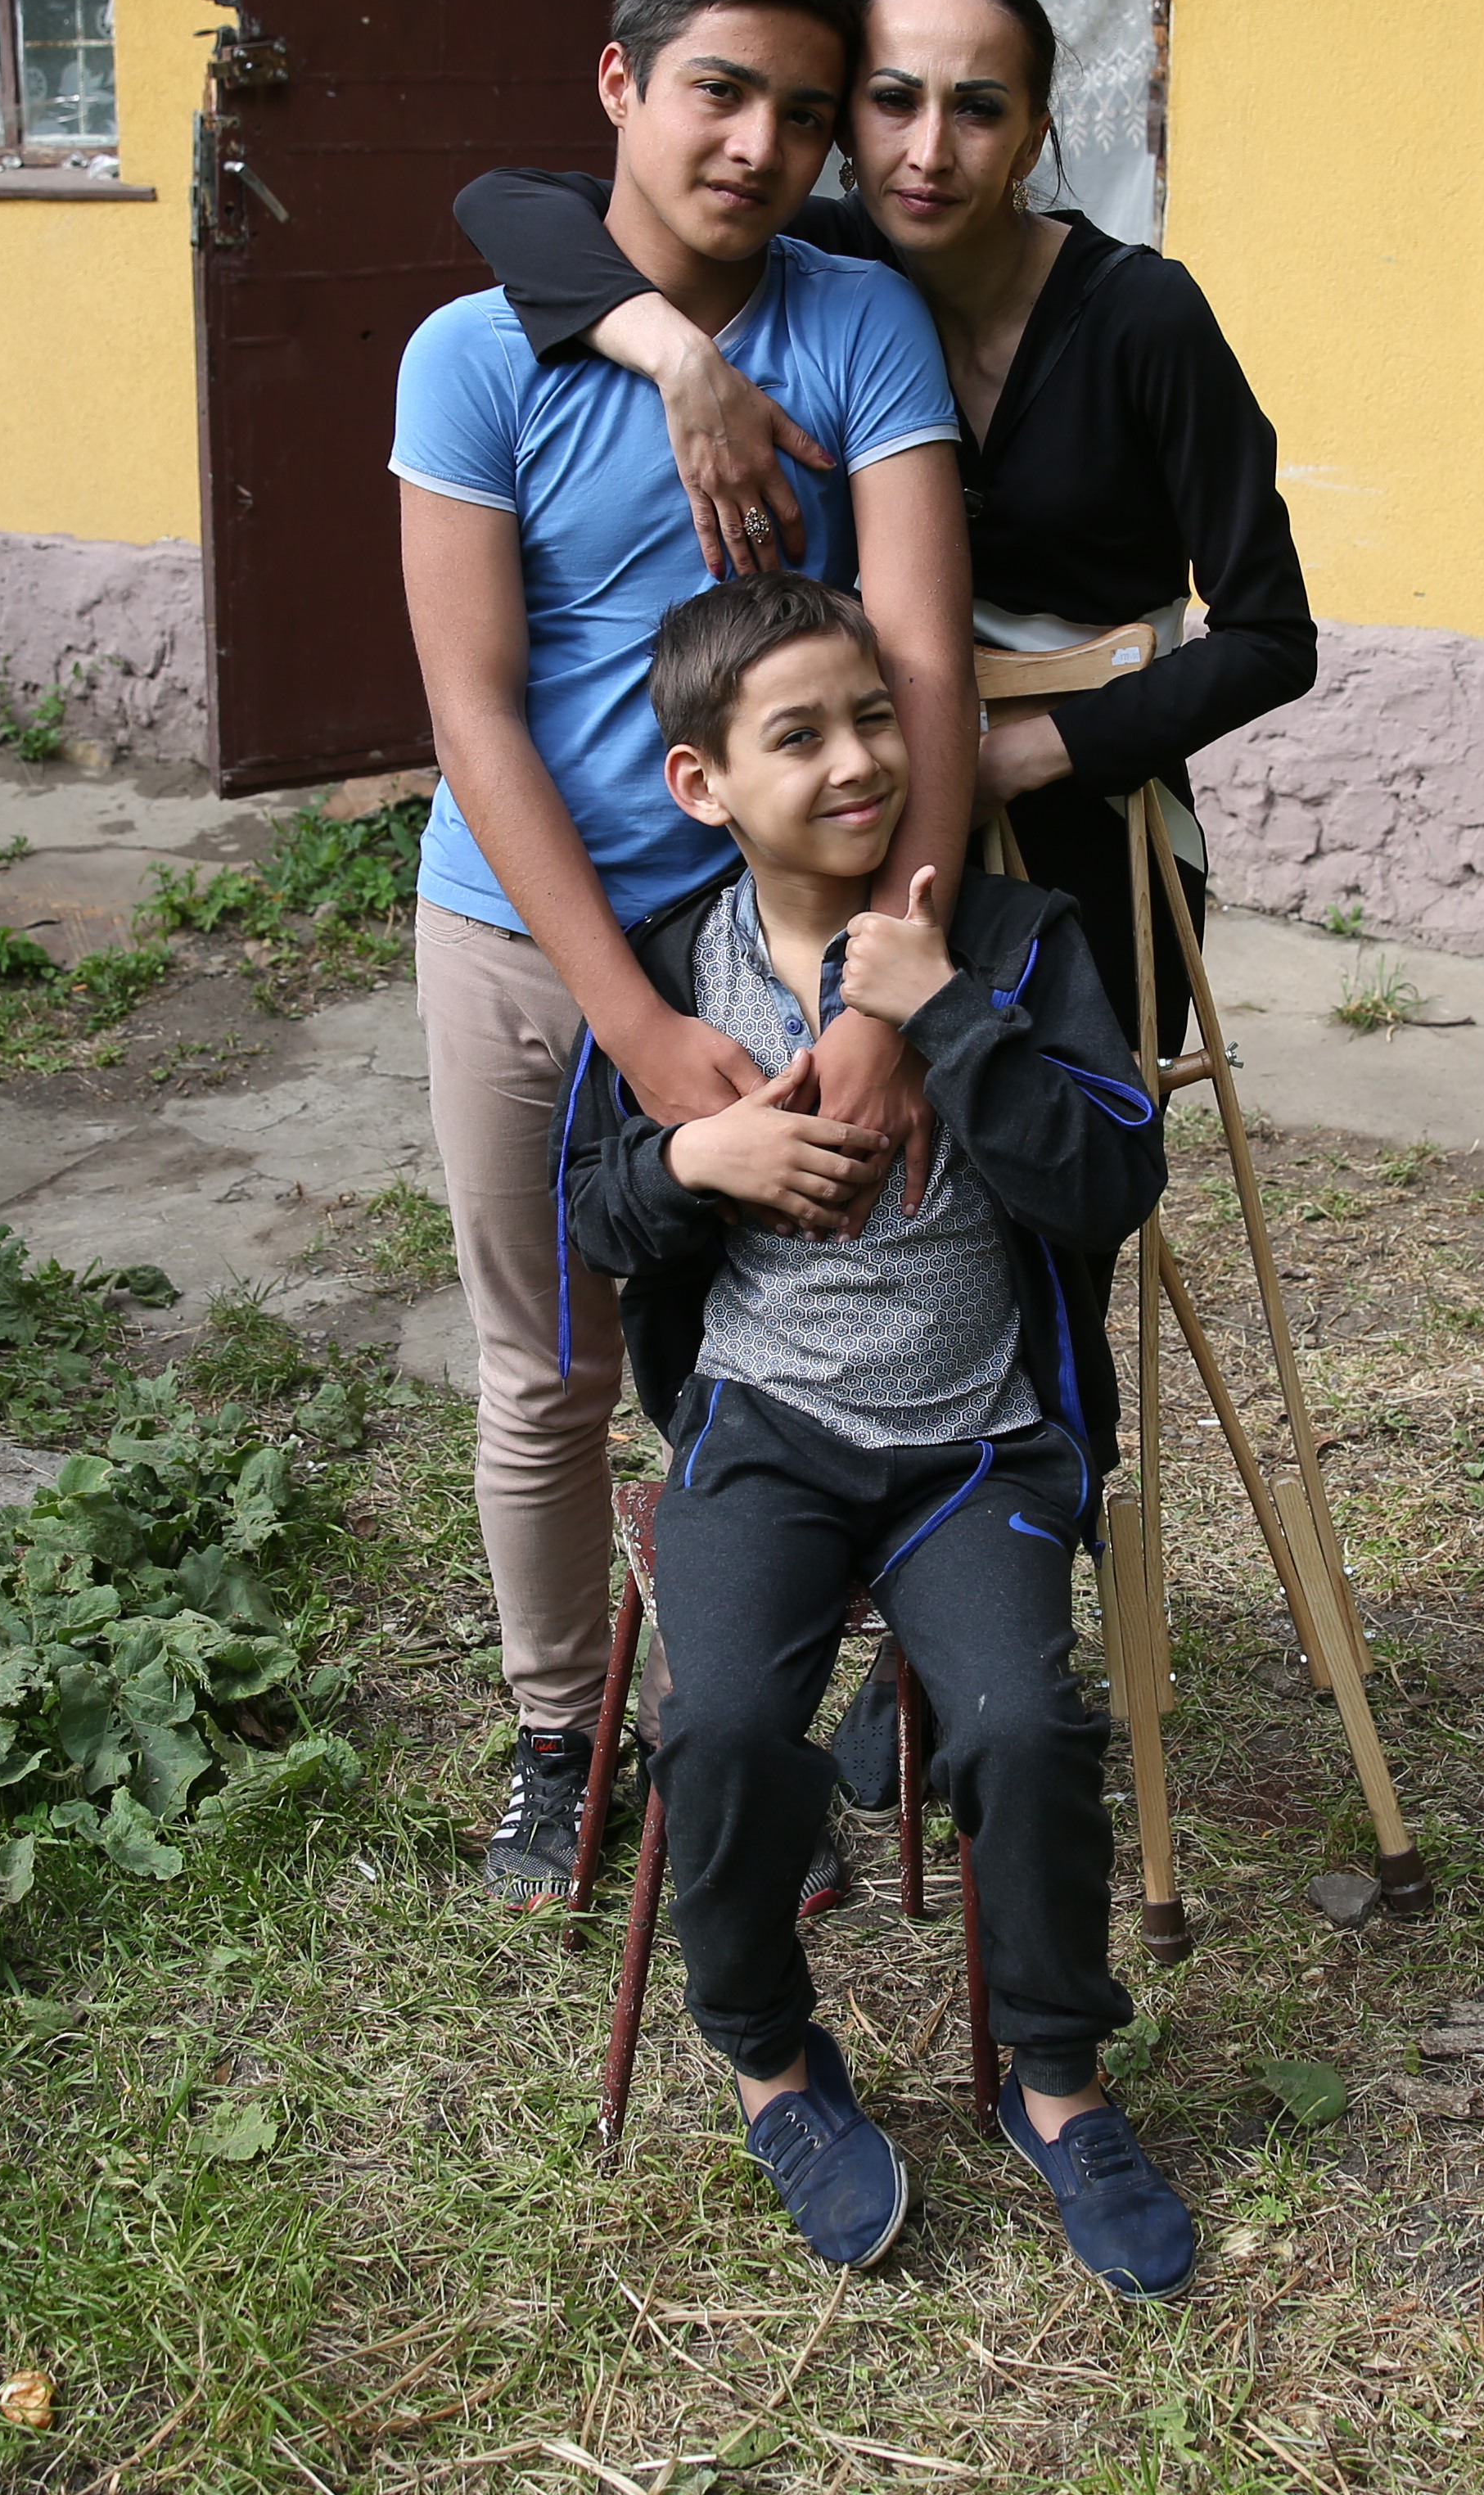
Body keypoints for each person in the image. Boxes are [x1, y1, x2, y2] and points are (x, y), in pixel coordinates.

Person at [394, 0, 980, 1906]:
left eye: (806, 116)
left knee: (819, 1327)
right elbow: (472, 708)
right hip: (522, 940)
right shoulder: (472, 354)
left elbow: (922, 668)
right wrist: (632, 1028)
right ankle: (566, 1739)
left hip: (796, 942)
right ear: (622, 88)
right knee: (551, 1358)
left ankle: (791, 1702)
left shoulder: (857, 325)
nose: (762, 146)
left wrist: (889, 987)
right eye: (720, 91)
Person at [562, 571, 1193, 2293]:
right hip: (765, 1438)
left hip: (976, 1447)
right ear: (704, 785)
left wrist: (947, 1018)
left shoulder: (1012, 941)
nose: (853, 760)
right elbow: (597, 1216)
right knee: (732, 1730)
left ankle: (1054, 2085)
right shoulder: (669, 977)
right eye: (799, 734)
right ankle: (774, 2061)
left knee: (1024, 1729)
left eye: (870, 718)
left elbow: (1111, 1180)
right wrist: (697, 1163)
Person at [453, 0, 1312, 1061]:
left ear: (1034, 135)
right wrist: (675, 356)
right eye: (892, 101)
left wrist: (1016, 755)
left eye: (980, 111)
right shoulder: (826, 253)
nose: (928, 153)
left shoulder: (1143, 317)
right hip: (852, 814)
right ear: (845, 121)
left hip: (1084, 825)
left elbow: (1272, 639)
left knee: (1052, 1181)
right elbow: (508, 202)